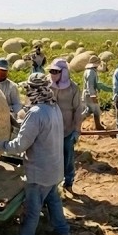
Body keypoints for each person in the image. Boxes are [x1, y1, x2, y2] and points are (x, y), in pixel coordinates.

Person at [0, 73, 69, 235]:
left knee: (32, 208)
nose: (26, 93)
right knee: (53, 200)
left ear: (33, 90)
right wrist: (15, 122)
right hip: (55, 168)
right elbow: (36, 129)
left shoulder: (35, 113)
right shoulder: (53, 107)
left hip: (39, 171)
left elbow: (20, 145)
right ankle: (63, 230)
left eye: (28, 89)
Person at [49, 58, 85, 194]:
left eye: (56, 72)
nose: (53, 74)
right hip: (50, 130)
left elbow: (77, 110)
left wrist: (77, 130)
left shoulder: (73, 88)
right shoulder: (48, 85)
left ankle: (68, 183)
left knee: (68, 158)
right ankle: (52, 186)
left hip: (67, 130)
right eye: (51, 71)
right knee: (51, 157)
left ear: (64, 73)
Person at [82, 56, 110, 130]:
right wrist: (93, 96)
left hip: (88, 94)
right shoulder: (91, 72)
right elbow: (90, 85)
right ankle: (76, 122)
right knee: (94, 110)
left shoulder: (90, 71)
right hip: (89, 94)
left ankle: (97, 125)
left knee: (91, 110)